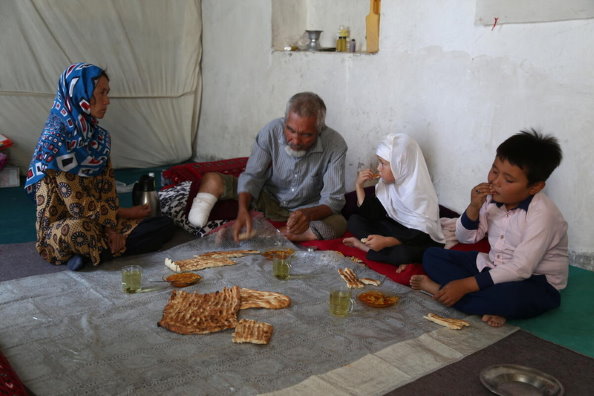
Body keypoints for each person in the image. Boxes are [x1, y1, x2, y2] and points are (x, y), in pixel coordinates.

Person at [24, 63, 176, 270]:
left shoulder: (99, 138)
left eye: (107, 93)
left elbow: (108, 189)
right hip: (63, 226)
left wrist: (111, 228)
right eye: (101, 93)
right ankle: (104, 249)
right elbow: (76, 206)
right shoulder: (56, 140)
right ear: (81, 93)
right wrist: (120, 216)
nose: (107, 101)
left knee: (164, 223)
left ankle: (92, 254)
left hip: (100, 220)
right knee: (79, 230)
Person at [411, 130, 567, 327]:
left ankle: (441, 290)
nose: (495, 182)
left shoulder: (544, 215)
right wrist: (474, 207)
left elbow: (521, 268)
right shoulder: (492, 199)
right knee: (432, 256)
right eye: (494, 171)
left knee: (512, 299)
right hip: (493, 264)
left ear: (534, 187)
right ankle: (480, 301)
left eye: (508, 180)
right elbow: (467, 238)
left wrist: (466, 285)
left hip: (534, 280)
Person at [188, 92, 348, 242]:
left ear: (320, 130)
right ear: (284, 121)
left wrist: (308, 214)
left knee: (337, 223)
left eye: (306, 135)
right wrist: (242, 209)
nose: (296, 140)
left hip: (307, 208)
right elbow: (252, 175)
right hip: (267, 197)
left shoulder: (335, 144)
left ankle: (270, 235)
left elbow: (333, 199)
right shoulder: (272, 130)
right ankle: (199, 224)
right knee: (213, 180)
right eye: (290, 130)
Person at [343, 133, 445, 272]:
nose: (378, 168)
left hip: (413, 239)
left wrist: (387, 241)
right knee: (354, 221)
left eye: (383, 164)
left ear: (400, 165)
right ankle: (384, 252)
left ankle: (365, 247)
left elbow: (421, 233)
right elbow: (371, 214)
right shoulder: (387, 185)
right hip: (392, 230)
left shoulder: (420, 193)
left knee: (404, 253)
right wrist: (359, 186)